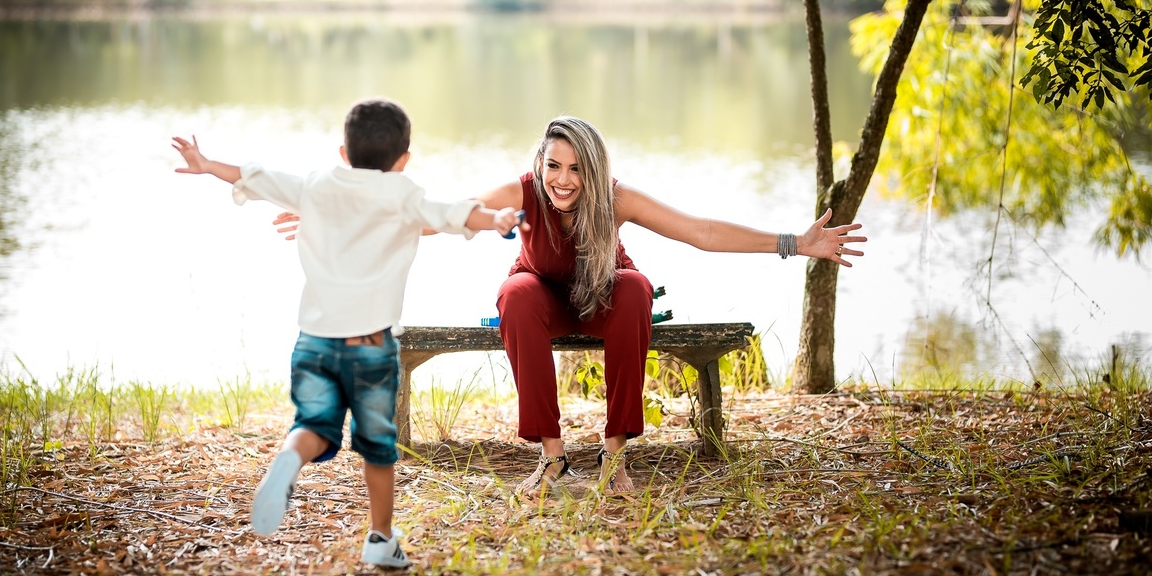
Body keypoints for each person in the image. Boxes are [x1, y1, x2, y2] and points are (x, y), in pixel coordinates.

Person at [276, 115, 866, 498]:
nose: (563, 179)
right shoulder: (523, 192)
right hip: (542, 300)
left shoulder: (617, 198)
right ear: (541, 165)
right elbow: (437, 216)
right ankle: (552, 458)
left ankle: (615, 460)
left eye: (576, 168)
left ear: (594, 168)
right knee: (514, 293)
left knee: (635, 288)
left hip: (607, 297)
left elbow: (701, 232)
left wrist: (797, 243)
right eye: (554, 166)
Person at [171, 98, 525, 568]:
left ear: (343, 152)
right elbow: (454, 213)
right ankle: (380, 539)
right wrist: (495, 220)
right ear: (403, 161)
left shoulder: (317, 185)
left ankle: (289, 461)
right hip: (370, 347)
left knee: (313, 426)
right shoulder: (404, 194)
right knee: (377, 447)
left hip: (314, 342)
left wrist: (205, 163)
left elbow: (256, 177)